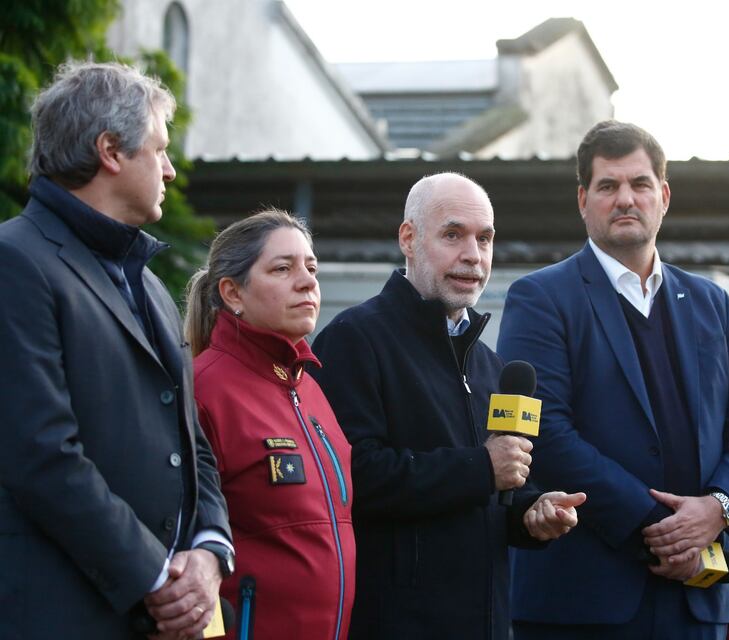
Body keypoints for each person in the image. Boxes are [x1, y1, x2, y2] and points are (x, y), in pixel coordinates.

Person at [496, 120, 729, 639]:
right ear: (583, 199)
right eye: (608, 186)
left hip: (697, 601)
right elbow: (545, 431)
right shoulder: (542, 298)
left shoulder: (712, 303)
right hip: (584, 600)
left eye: (640, 184)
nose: (626, 199)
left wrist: (719, 510)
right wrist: (664, 531)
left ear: (663, 196)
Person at [0, 61, 231, 638]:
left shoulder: (148, 282)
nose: (171, 170)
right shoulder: (14, 260)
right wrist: (155, 579)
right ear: (110, 151)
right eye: (159, 150)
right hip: (63, 613)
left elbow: (190, 440)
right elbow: (40, 454)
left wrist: (206, 552)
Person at [310, 172, 585, 639]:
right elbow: (353, 478)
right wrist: (482, 468)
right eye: (453, 235)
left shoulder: (491, 365)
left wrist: (530, 513)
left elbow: (497, 489)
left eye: (485, 238)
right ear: (408, 238)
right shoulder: (354, 340)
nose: (473, 256)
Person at [185, 209, 355, 639]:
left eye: (311, 267)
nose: (307, 281)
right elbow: (179, 546)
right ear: (232, 293)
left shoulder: (312, 390)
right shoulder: (203, 390)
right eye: (283, 268)